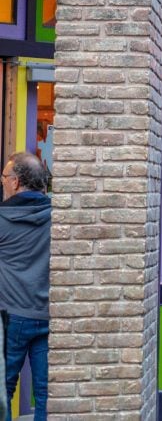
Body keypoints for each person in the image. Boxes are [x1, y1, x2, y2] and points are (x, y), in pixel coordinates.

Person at [0, 152, 51, 421]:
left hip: (11, 319)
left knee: (3, 392)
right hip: (48, 316)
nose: (3, 182)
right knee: (47, 396)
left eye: (5, 178)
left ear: (16, 182)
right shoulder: (58, 218)